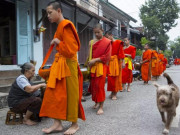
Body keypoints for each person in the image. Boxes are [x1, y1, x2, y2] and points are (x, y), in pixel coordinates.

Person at [39, 1, 85, 134]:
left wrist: (58, 41)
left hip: (68, 65)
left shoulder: (66, 25)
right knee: (54, 93)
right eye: (47, 13)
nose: (48, 15)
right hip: (60, 64)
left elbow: (72, 50)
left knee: (71, 93)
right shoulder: (59, 26)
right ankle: (57, 123)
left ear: (58, 11)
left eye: (50, 12)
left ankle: (74, 124)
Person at [88, 24, 111, 115]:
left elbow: (107, 57)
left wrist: (96, 60)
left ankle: (101, 106)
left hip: (101, 66)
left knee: (100, 86)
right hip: (93, 67)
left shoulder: (107, 42)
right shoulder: (92, 42)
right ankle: (96, 102)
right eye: (95, 33)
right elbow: (89, 55)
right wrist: (89, 62)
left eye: (98, 32)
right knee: (93, 86)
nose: (97, 34)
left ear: (102, 31)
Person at [105, 31, 125, 100]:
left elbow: (121, 53)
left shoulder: (118, 42)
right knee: (110, 78)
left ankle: (115, 93)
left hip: (117, 62)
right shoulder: (108, 43)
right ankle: (112, 92)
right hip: (110, 62)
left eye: (107, 37)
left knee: (116, 78)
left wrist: (123, 62)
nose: (107, 39)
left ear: (111, 35)